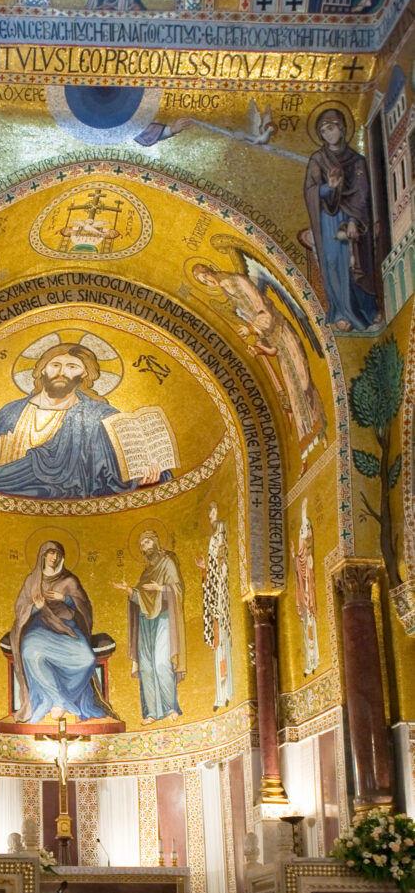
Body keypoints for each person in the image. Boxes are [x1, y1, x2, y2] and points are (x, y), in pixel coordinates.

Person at [0, 342, 170, 499]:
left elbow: (112, 474)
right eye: (55, 365)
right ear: (42, 369)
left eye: (72, 367)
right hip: (14, 492)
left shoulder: (99, 416)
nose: (62, 372)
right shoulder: (11, 412)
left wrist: (140, 481)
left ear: (84, 375)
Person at [193, 263, 327, 469]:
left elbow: (265, 311)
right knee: (293, 391)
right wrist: (260, 347)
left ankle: (323, 428)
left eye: (206, 276)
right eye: (204, 282)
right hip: (275, 342)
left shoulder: (239, 281)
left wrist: (252, 328)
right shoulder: (228, 293)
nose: (209, 282)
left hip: (283, 332)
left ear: (211, 270)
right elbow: (261, 331)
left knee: (303, 380)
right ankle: (309, 446)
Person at [9, 541, 114, 725]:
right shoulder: (33, 581)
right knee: (30, 653)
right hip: (39, 627)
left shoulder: (69, 581)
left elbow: (84, 607)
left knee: (87, 659)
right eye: (50, 553)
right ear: (43, 556)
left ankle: (64, 697)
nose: (54, 557)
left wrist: (64, 599)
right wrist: (37, 607)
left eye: (57, 554)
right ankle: (57, 700)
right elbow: (21, 609)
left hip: (66, 627)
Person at [303, 107, 381, 333]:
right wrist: (330, 187)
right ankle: (340, 312)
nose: (329, 135)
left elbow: (363, 191)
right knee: (336, 264)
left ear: (342, 128)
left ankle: (366, 309)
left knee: (358, 261)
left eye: (331, 129)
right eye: (324, 131)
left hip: (354, 219)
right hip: (329, 220)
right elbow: (310, 191)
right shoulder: (318, 159)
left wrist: (356, 220)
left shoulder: (357, 160)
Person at [113, 530, 186, 724]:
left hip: (163, 618)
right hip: (145, 621)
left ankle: (171, 707)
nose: (144, 546)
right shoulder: (146, 572)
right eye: (141, 544)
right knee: (146, 666)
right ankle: (151, 711)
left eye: (147, 541)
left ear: (155, 542)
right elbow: (141, 598)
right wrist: (129, 590)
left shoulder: (168, 563)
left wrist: (160, 588)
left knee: (162, 662)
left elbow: (178, 590)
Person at [195, 502, 234, 709]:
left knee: (225, 644)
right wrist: (205, 568)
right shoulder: (212, 541)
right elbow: (211, 572)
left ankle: (228, 691)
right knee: (217, 646)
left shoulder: (222, 534)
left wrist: (216, 567)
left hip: (224, 601)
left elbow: (223, 563)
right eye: (209, 513)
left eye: (213, 512)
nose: (212, 517)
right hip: (215, 599)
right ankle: (220, 695)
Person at [291, 498, 320, 675]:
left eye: (305, 530)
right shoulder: (302, 557)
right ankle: (309, 662)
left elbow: (306, 563)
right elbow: (298, 567)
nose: (302, 533)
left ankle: (315, 658)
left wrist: (303, 513)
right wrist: (295, 554)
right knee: (305, 626)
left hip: (309, 594)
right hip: (304, 592)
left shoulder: (308, 557)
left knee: (312, 627)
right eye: (301, 530)